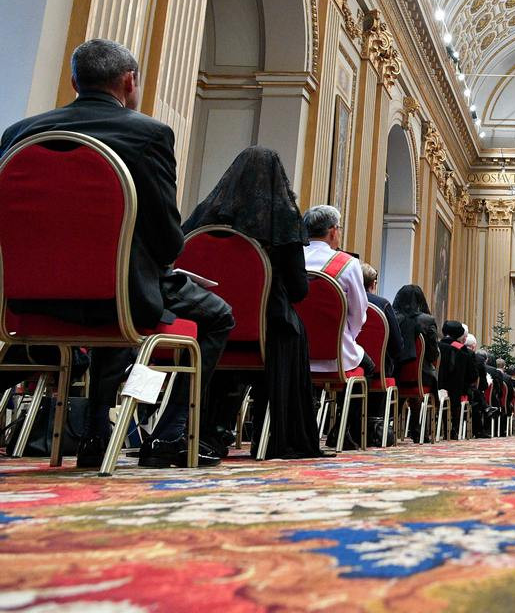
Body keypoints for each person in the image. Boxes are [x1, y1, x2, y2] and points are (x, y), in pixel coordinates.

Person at [0, 39, 234, 469]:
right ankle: (172, 432)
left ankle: (96, 431)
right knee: (216, 314)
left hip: (25, 299)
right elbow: (167, 237)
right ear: (129, 81)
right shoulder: (148, 134)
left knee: (117, 283)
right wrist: (161, 259)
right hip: (119, 295)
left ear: (74, 81)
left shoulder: (19, 135)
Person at [181, 146, 321, 460]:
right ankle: (270, 435)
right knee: (291, 329)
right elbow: (299, 291)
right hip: (264, 328)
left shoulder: (206, 214)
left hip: (205, 326)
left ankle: (204, 428)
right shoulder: (283, 220)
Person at [302, 205, 371, 375]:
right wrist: (346, 336)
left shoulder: (291, 259)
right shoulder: (348, 264)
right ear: (333, 231)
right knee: (369, 368)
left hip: (293, 353)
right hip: (336, 357)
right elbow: (358, 312)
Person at [361, 264, 403, 379]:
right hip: (379, 370)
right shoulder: (383, 304)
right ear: (373, 284)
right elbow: (397, 345)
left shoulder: (345, 299)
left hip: (348, 365)